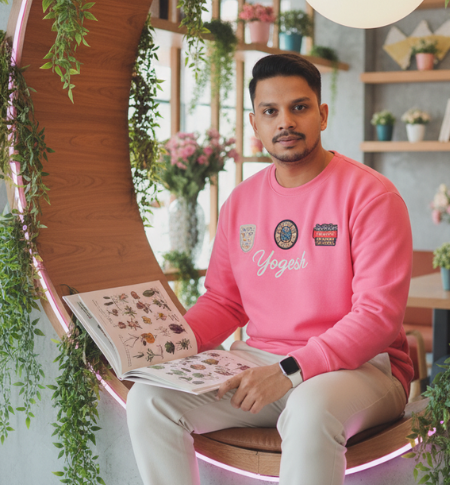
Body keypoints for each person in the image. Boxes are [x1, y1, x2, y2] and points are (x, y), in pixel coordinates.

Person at [126, 54, 414, 485]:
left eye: (299, 107)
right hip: (260, 361)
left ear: (322, 114)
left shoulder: (371, 195)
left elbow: (376, 318)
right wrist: (166, 346)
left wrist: (289, 371)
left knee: (311, 409)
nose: (286, 122)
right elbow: (224, 301)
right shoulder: (240, 202)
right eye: (270, 111)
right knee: (150, 400)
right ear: (255, 124)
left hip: (363, 369)